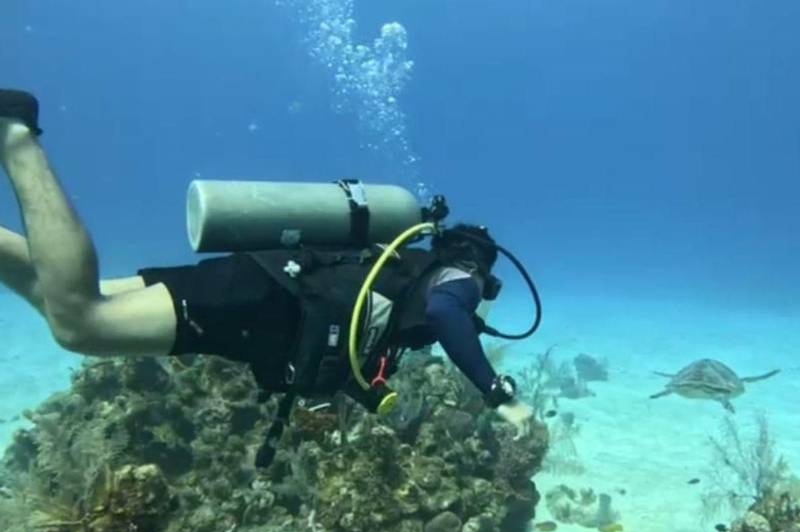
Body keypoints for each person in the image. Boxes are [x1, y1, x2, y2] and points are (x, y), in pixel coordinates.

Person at [0, 89, 533, 441]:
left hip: (265, 289)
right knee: (81, 325)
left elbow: (367, 328)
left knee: (58, 302)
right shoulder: (455, 279)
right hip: (264, 300)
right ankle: (17, 135)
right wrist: (495, 393)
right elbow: (446, 313)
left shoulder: (410, 268)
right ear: (480, 266)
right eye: (488, 283)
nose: (485, 292)